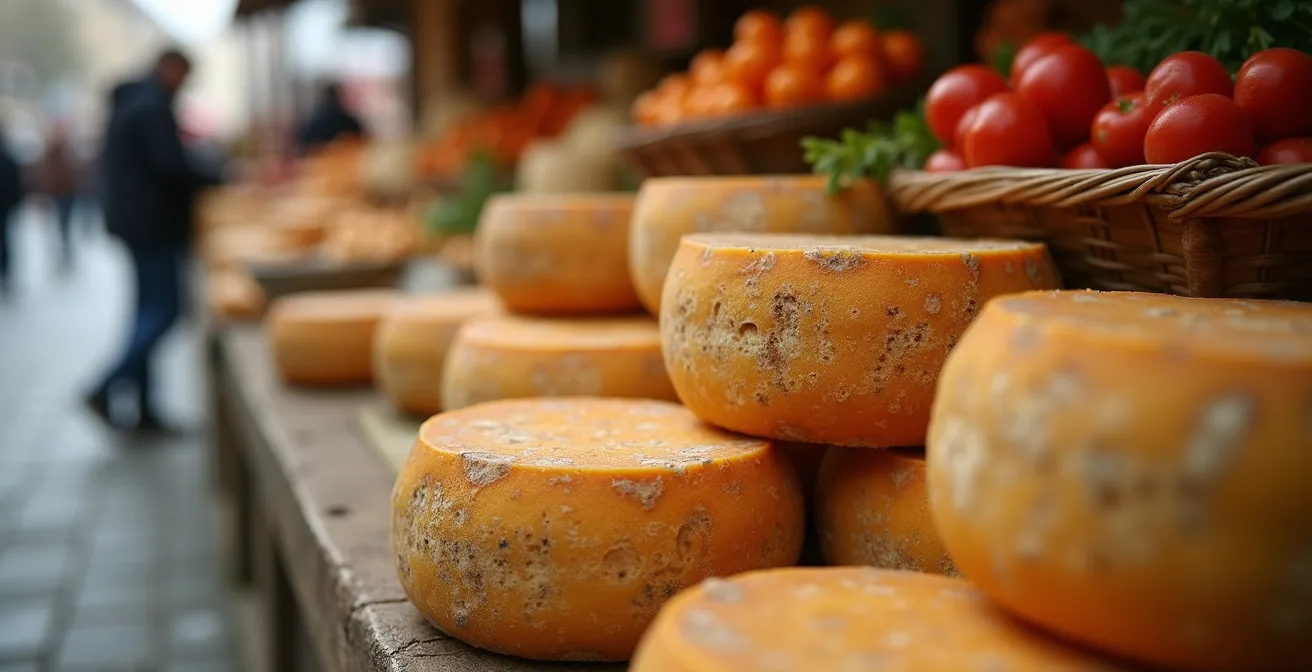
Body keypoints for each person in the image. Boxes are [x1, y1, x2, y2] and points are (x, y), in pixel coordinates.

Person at [85, 49, 225, 433]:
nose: (185, 83)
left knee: (146, 312)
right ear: (170, 68)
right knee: (165, 310)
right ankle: (106, 385)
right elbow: (170, 164)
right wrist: (216, 176)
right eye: (184, 75)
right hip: (152, 225)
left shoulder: (139, 102)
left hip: (137, 223)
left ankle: (144, 409)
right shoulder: (151, 107)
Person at [34, 124, 83, 272]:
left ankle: (66, 255)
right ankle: (58, 255)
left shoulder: (68, 152)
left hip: (67, 195)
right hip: (54, 195)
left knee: (65, 227)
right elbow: (42, 175)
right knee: (55, 228)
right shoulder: (49, 154)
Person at [296, 82, 365, 155]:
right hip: (344, 157)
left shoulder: (314, 116)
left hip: (319, 156)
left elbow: (305, 140)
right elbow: (359, 135)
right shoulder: (344, 117)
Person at [0, 125, 24, 298]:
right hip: (6, 206)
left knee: (6, 242)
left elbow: (15, 182)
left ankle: (6, 272)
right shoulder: (8, 157)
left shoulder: (8, 157)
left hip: (4, 207)